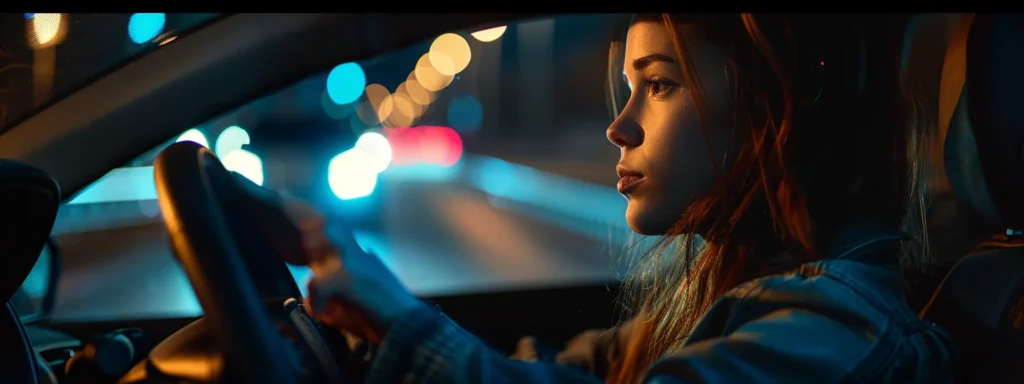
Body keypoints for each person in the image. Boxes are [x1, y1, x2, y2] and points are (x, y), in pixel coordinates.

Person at [291, 13, 956, 383]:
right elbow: (555, 372)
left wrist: (399, 323)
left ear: (771, 106)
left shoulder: (831, 333)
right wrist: (374, 331)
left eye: (660, 84)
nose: (620, 125)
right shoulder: (732, 294)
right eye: (625, 88)